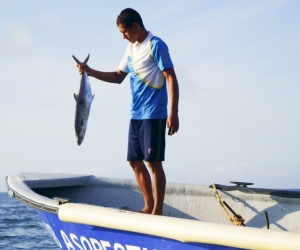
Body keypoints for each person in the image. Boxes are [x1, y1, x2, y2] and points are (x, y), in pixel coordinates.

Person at [77, 8, 179, 215]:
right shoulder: (130, 50)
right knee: (134, 161)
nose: (123, 36)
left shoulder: (156, 45)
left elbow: (171, 77)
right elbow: (118, 76)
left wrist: (173, 112)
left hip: (154, 114)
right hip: (136, 114)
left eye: (124, 32)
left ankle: (157, 212)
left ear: (135, 26)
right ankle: (148, 205)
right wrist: (90, 72)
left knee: (153, 162)